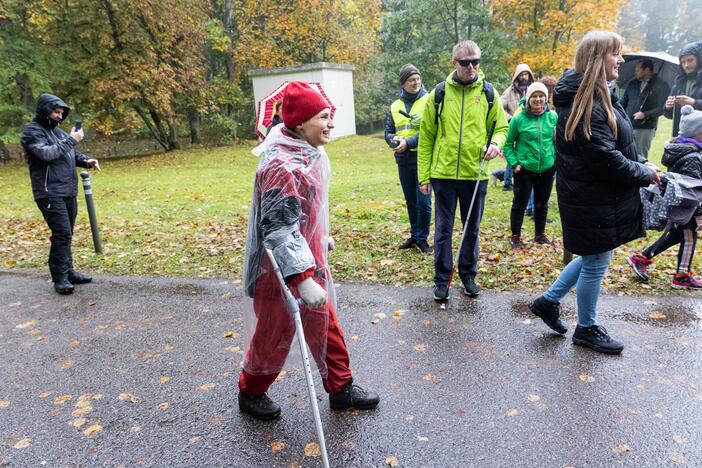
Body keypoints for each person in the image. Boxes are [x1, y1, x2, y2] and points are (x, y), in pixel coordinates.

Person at [238, 81, 379, 420]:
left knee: (326, 325)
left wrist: (319, 240)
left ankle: (341, 388)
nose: (330, 124)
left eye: (330, 116)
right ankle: (251, 392)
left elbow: (304, 214)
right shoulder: (280, 165)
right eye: (323, 117)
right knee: (274, 334)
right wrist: (301, 278)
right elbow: (279, 229)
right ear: (301, 122)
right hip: (277, 273)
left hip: (307, 263)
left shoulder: (307, 152)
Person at [528, 31, 660, 354]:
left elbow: (618, 144)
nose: (622, 60)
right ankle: (586, 328)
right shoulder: (585, 104)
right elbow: (605, 160)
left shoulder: (599, 95)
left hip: (595, 196)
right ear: (597, 59)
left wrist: (643, 162)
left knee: (596, 256)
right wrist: (643, 173)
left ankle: (548, 301)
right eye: (616, 53)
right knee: (597, 261)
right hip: (591, 197)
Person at [418, 40, 509, 301]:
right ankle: (442, 279)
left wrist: (495, 144)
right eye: (465, 62)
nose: (471, 67)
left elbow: (501, 128)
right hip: (443, 175)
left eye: (476, 61)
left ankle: (468, 275)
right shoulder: (438, 94)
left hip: (475, 174)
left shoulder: (489, 93)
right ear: (454, 63)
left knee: (472, 228)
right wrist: (423, 176)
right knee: (444, 228)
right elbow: (426, 139)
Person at [21, 93, 100, 295]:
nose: (59, 116)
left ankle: (69, 272)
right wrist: (72, 140)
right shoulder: (32, 132)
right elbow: (46, 154)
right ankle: (60, 278)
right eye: (56, 112)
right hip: (48, 192)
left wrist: (86, 161)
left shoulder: (59, 132)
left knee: (67, 234)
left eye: (61, 113)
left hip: (67, 190)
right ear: (45, 110)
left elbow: (70, 154)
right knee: (62, 233)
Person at [627, 105, 702, 289]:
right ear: (697, 133)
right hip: (687, 207)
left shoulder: (682, 148)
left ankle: (642, 258)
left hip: (679, 205)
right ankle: (682, 276)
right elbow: (694, 189)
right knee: (689, 236)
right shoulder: (693, 155)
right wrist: (699, 213)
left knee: (677, 235)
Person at [384, 64, 432, 254]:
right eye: (411, 80)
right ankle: (414, 235)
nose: (416, 82)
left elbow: (431, 132)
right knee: (411, 201)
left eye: (418, 79)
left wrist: (409, 142)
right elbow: (388, 131)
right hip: (403, 160)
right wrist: (392, 140)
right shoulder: (395, 106)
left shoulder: (429, 101)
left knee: (424, 201)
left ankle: (422, 239)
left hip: (423, 158)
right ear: (403, 83)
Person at [503, 82, 557, 248]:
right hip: (524, 169)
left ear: (546, 98)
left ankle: (540, 235)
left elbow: (558, 141)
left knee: (542, 203)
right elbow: (507, 145)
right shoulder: (519, 119)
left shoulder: (552, 117)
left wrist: (555, 159)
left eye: (541, 96)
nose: (538, 99)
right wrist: (515, 164)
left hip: (547, 168)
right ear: (528, 99)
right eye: (534, 96)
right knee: (520, 204)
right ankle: (515, 236)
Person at [620, 59, 670, 158]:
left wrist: (644, 114)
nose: (635, 72)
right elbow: (623, 103)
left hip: (645, 128)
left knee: (640, 156)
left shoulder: (662, 86)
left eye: (638, 70)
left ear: (647, 70)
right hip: (627, 125)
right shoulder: (633, 83)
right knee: (624, 156)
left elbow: (663, 108)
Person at [500, 64, 535, 191]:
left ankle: (524, 180)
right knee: (512, 154)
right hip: (515, 126)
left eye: (526, 74)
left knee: (527, 152)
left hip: (530, 126)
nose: (524, 77)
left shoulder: (533, 89)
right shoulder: (509, 92)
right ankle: (507, 182)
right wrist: (510, 119)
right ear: (517, 76)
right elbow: (499, 107)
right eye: (521, 74)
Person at [664, 42, 702, 137]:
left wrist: (694, 103)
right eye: (683, 62)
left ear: (699, 60)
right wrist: (668, 107)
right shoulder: (678, 83)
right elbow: (669, 115)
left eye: (690, 60)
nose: (686, 65)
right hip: (680, 137)